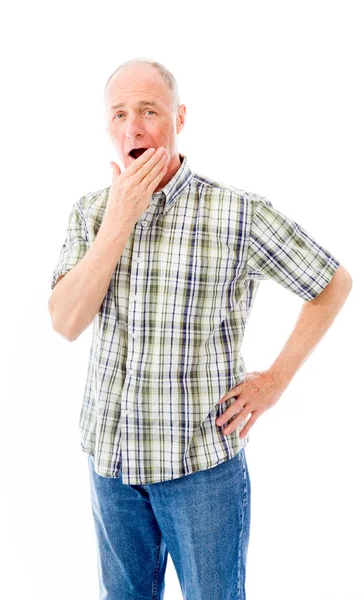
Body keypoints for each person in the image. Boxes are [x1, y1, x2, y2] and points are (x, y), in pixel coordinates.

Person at [48, 57, 352, 600]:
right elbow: (66, 322)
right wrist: (119, 222)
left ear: (179, 117)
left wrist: (276, 379)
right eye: (119, 114)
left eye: (148, 111)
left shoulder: (237, 212)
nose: (132, 127)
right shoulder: (90, 214)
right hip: (111, 465)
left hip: (200, 469)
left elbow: (333, 283)